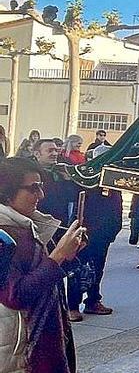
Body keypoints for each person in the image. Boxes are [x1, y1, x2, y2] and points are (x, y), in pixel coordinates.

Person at [0, 157, 87, 373]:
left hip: (36, 339)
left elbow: (41, 278)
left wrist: (67, 256)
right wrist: (57, 257)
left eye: (41, 187)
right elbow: (15, 295)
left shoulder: (27, 224)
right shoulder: (3, 234)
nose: (41, 195)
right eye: (33, 188)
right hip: (18, 350)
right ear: (7, 192)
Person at [67, 188, 122, 321]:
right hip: (85, 232)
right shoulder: (87, 185)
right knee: (76, 269)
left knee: (98, 269)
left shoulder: (113, 188)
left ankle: (93, 301)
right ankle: (72, 306)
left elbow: (116, 210)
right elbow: (77, 210)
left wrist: (113, 231)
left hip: (103, 233)